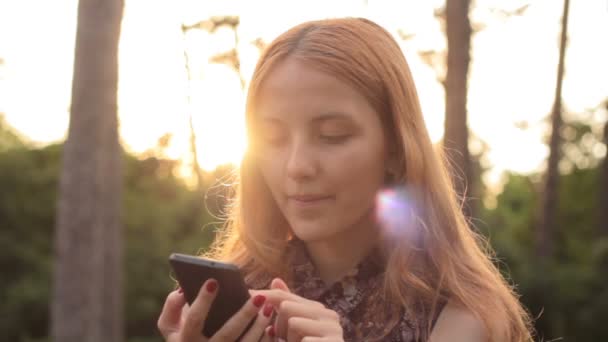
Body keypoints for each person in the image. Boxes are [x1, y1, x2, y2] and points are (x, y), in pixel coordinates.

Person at [157, 17, 534, 342]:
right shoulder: (239, 300)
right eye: (272, 138)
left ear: (396, 150)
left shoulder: (461, 317)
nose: (297, 166)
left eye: (332, 135)